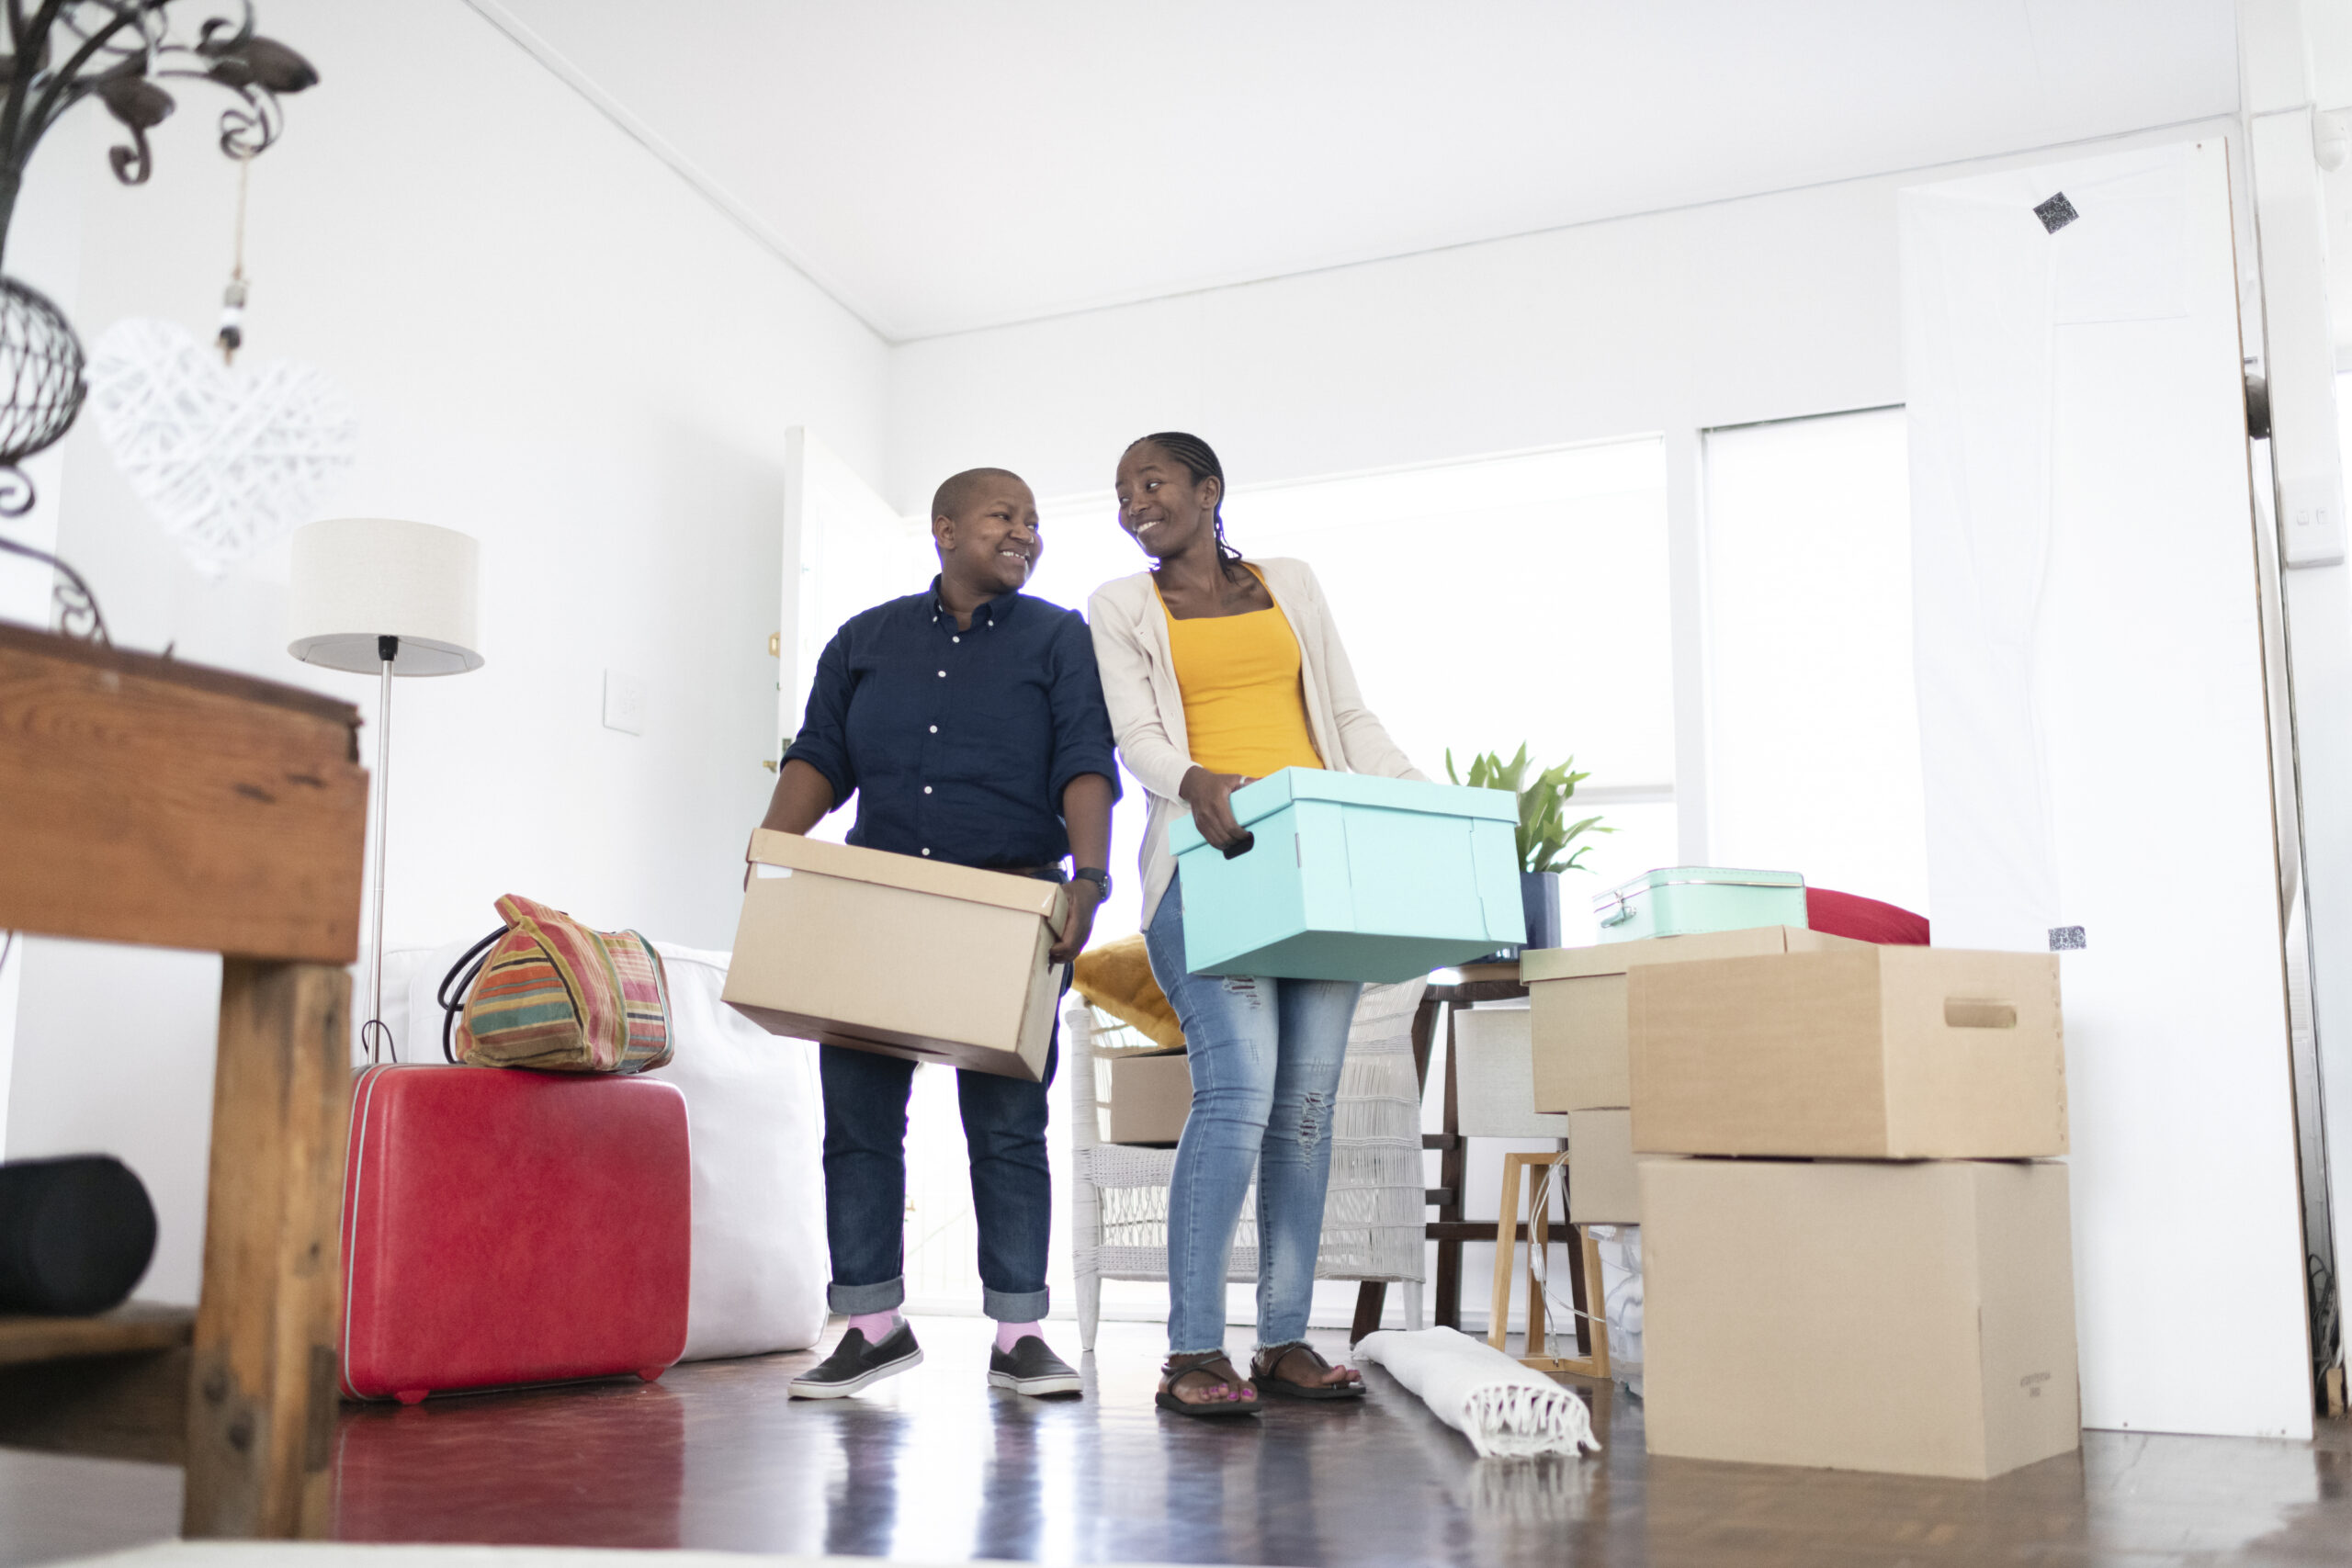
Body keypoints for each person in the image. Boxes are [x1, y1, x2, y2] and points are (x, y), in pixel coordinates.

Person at [760, 466, 1119, 1400]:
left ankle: (1017, 1335)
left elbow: (1086, 756)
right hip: (876, 904)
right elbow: (821, 756)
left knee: (1006, 1127)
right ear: (944, 527)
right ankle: (872, 1326)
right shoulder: (865, 639)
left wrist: (1089, 877)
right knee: (861, 1120)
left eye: (1035, 521)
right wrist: (768, 851)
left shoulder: (1058, 639)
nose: (1025, 533)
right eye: (1006, 515)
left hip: (1008, 907)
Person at [1089, 432, 1423, 1417]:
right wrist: (1194, 784)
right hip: (1209, 866)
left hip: (1316, 869)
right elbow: (1137, 736)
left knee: (1307, 1108)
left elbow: (1349, 717)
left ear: (1207, 489)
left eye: (1151, 482)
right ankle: (1192, 1351)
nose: (1133, 502)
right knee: (1239, 1094)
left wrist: (1413, 797)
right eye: (1120, 491)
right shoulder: (1119, 606)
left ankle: (1283, 1340)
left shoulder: (1292, 584)